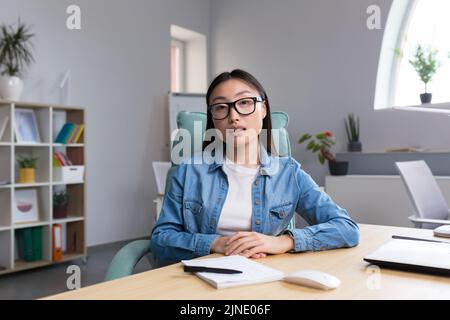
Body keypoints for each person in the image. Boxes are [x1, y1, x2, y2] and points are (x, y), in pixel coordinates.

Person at [150, 69, 359, 264]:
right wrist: (215, 244)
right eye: (221, 107)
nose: (234, 116)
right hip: (202, 277)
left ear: (264, 109)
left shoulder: (289, 173)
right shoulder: (189, 171)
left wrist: (280, 242)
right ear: (213, 118)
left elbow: (346, 228)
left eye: (245, 102)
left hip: (264, 276)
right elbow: (161, 240)